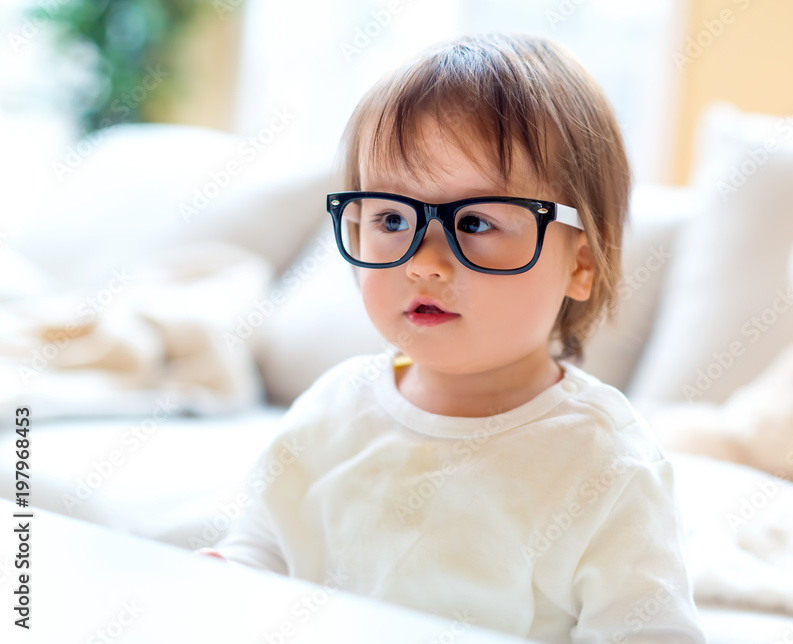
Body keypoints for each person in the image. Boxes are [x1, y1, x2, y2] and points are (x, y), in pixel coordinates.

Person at [199, 33, 706, 644]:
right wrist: (224, 579)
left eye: (476, 222)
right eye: (390, 218)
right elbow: (264, 550)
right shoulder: (331, 410)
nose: (425, 262)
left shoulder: (605, 462)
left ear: (580, 262)